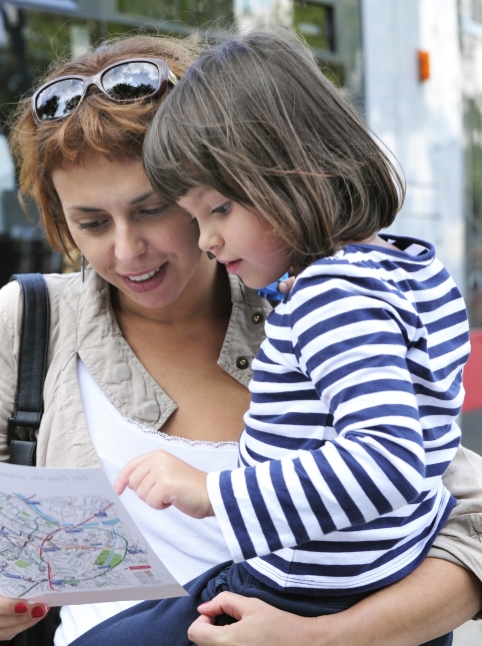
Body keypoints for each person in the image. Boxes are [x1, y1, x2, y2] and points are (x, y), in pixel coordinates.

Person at [0, 34, 482, 646]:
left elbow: (463, 515)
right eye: (90, 223)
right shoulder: (21, 321)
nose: (125, 251)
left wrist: (326, 637)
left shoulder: (312, 302)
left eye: (153, 210)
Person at [71, 28, 467, 646]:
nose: (206, 240)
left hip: (302, 592)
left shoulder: (330, 296)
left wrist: (212, 491)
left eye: (219, 209)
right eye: (195, 217)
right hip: (384, 576)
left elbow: (388, 456)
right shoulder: (412, 268)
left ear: (298, 173)